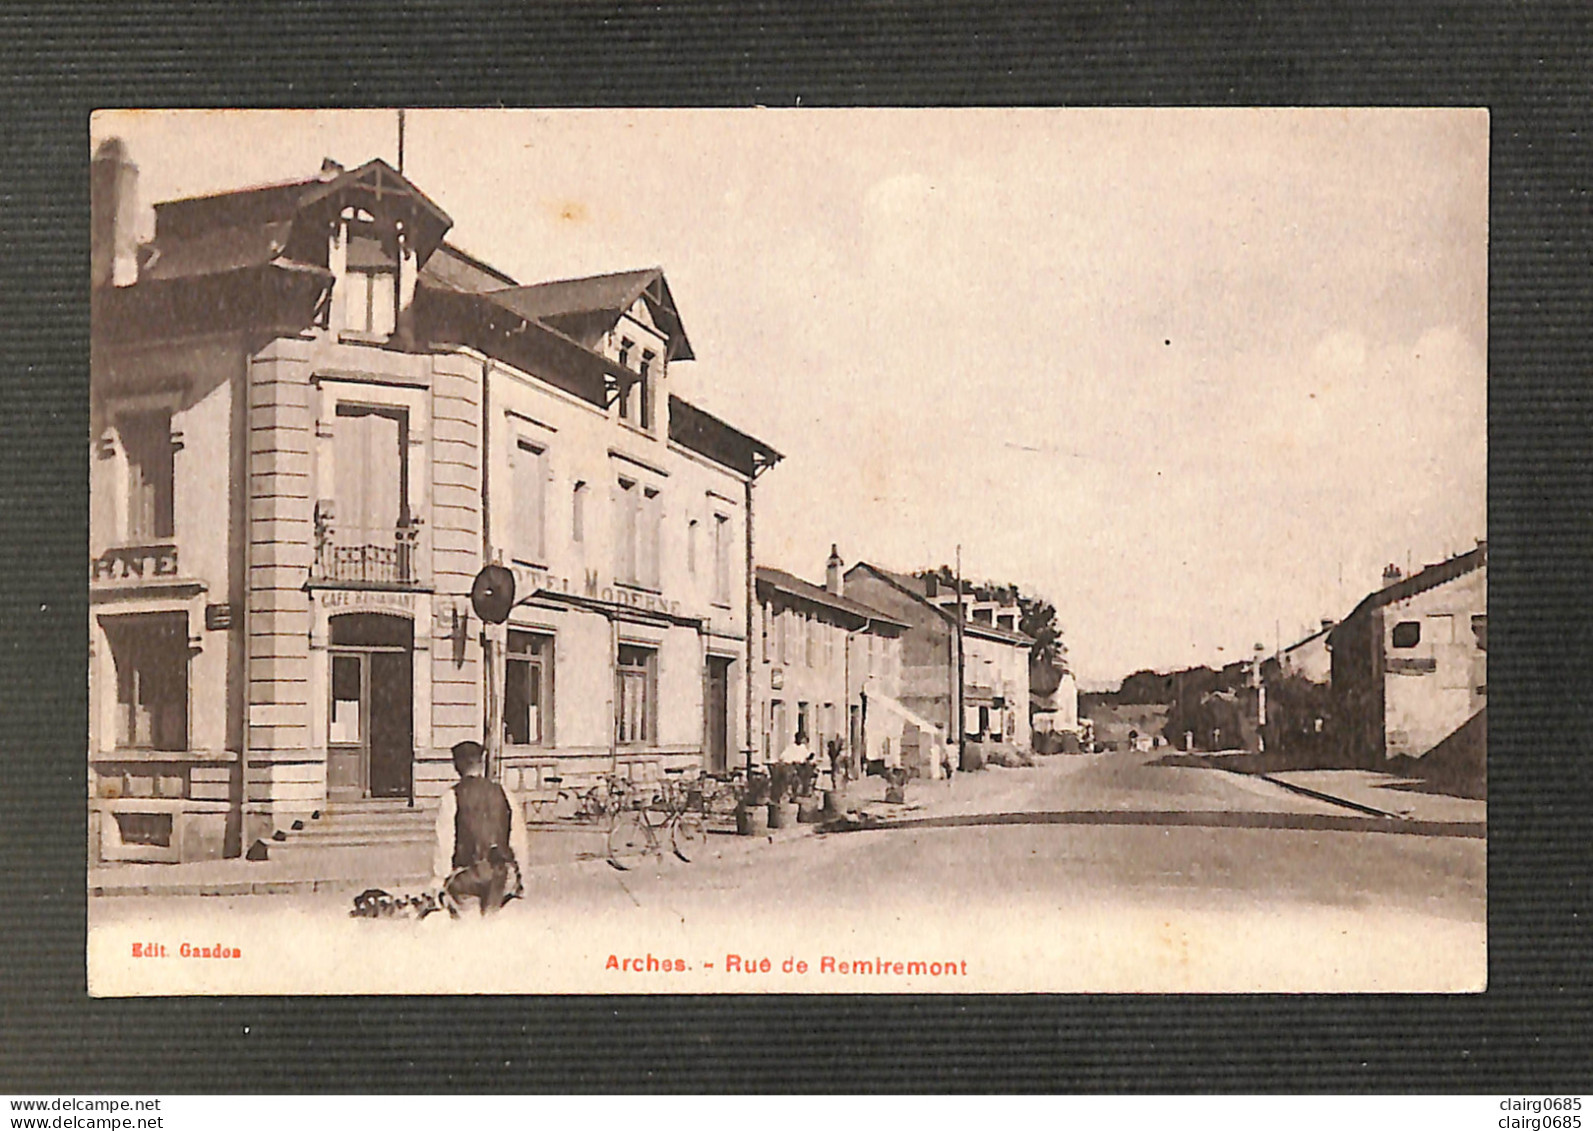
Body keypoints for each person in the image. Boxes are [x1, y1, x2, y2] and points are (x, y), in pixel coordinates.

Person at [433, 740, 531, 916]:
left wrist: (439, 880)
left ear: (457, 765)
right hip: (501, 875)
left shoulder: (451, 796)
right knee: (492, 926)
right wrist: (522, 877)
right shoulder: (504, 792)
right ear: (482, 761)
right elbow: (518, 839)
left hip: (468, 877)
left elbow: (445, 843)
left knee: (466, 927)